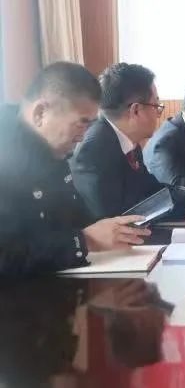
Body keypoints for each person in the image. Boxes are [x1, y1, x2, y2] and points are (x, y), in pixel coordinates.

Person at [0, 62, 150, 277]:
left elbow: (74, 217)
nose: (83, 136)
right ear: (40, 113)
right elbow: (6, 254)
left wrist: (110, 230)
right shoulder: (6, 152)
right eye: (81, 123)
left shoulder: (52, 149)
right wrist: (85, 240)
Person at [71, 63, 185, 220]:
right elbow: (117, 215)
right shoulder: (95, 148)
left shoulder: (128, 141)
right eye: (156, 106)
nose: (159, 114)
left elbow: (150, 189)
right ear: (136, 110)